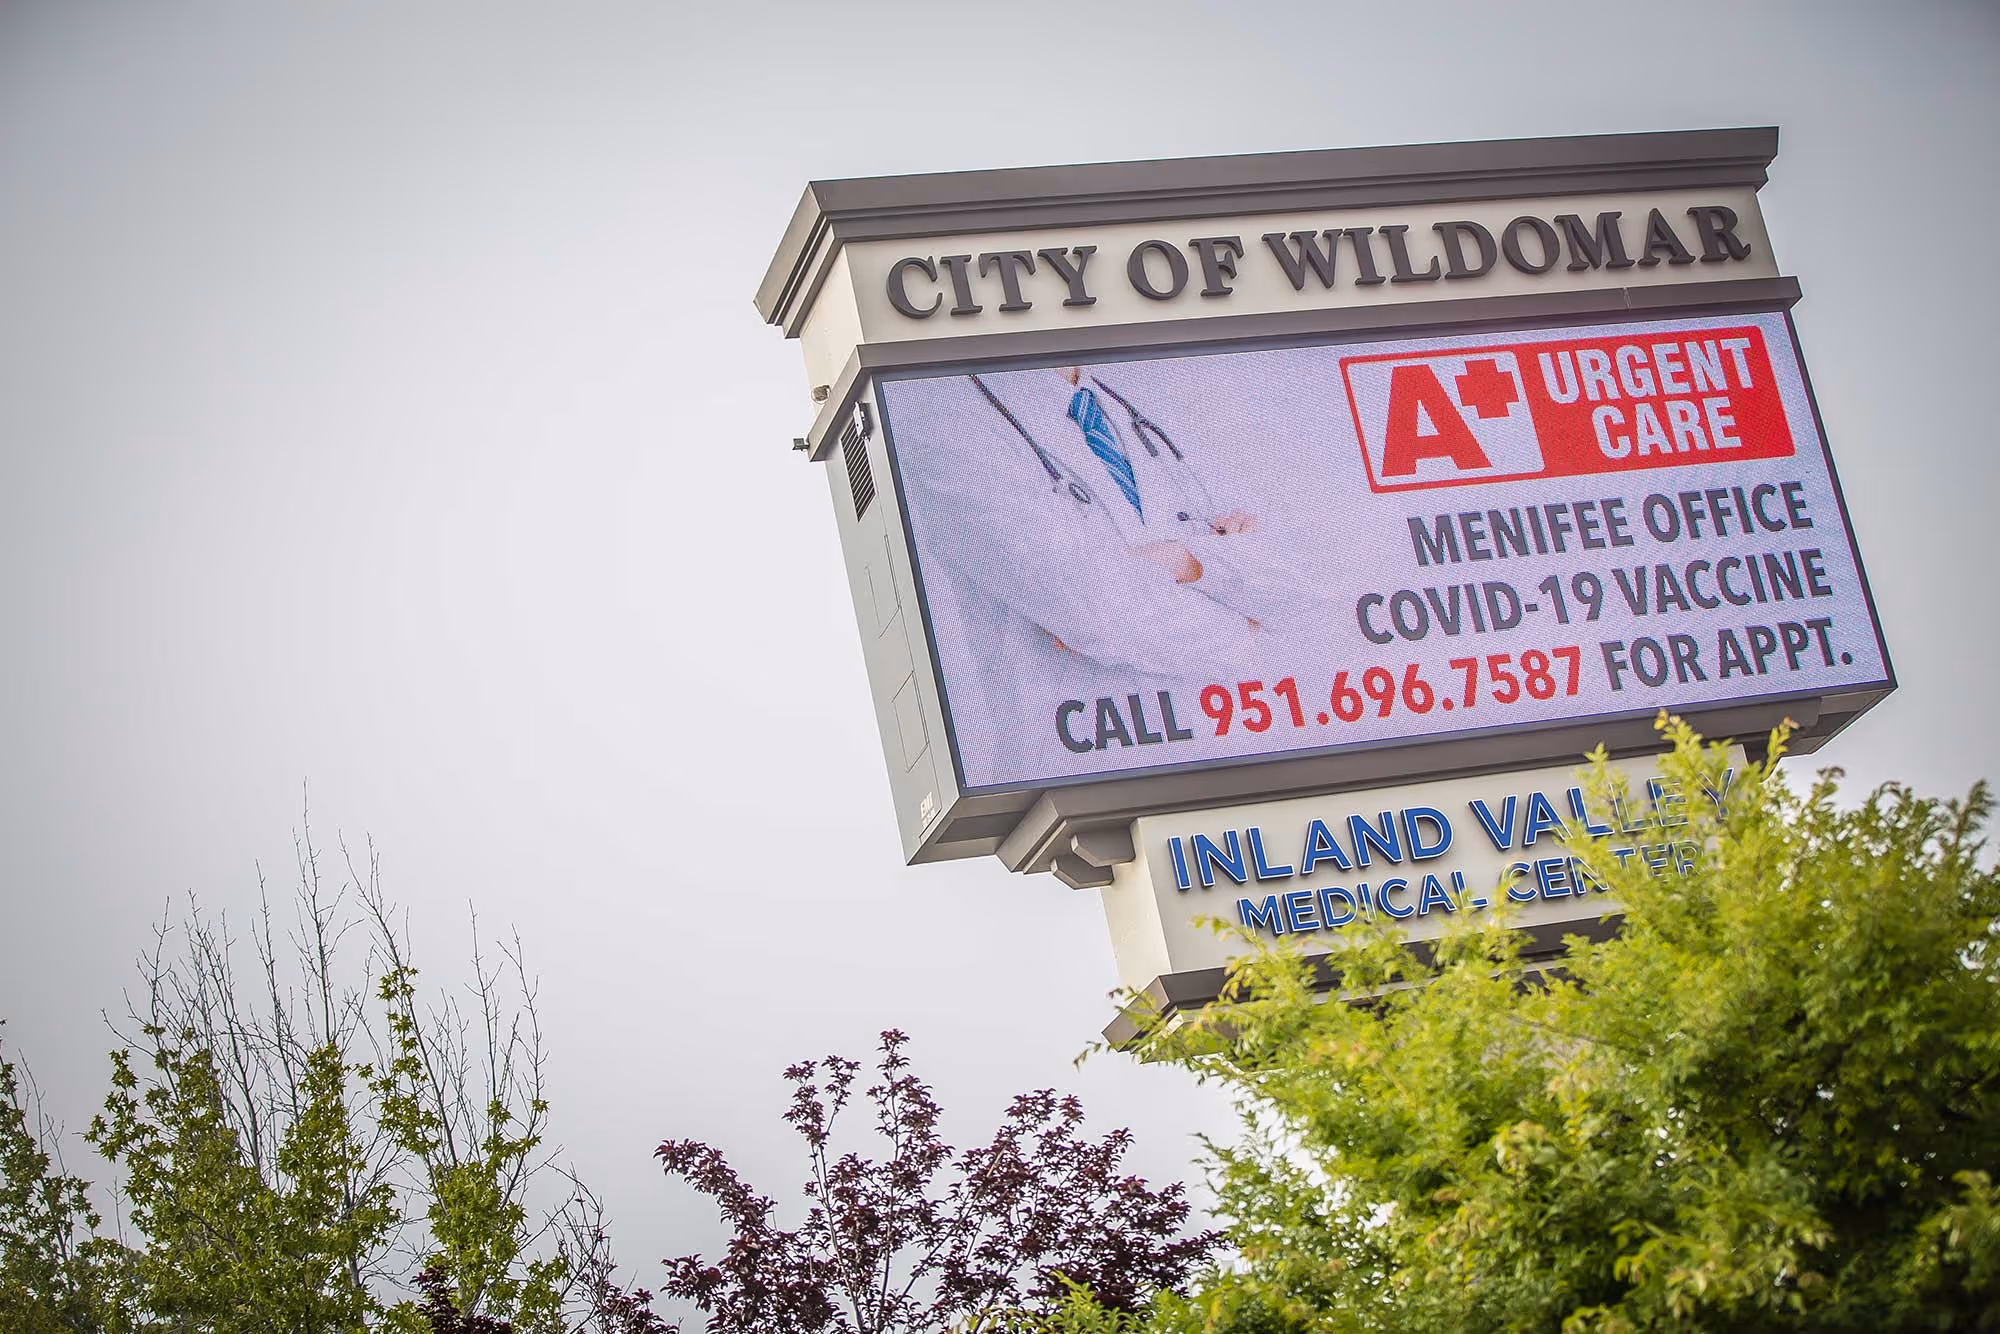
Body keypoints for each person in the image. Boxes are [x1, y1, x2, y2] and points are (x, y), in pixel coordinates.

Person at [889, 362, 1330, 786]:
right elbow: (1099, 612)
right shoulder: (945, 423)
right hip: (1090, 768)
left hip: (1233, 751)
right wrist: (1247, 630)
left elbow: (1300, 598)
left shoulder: (1149, 396)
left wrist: (1183, 560)